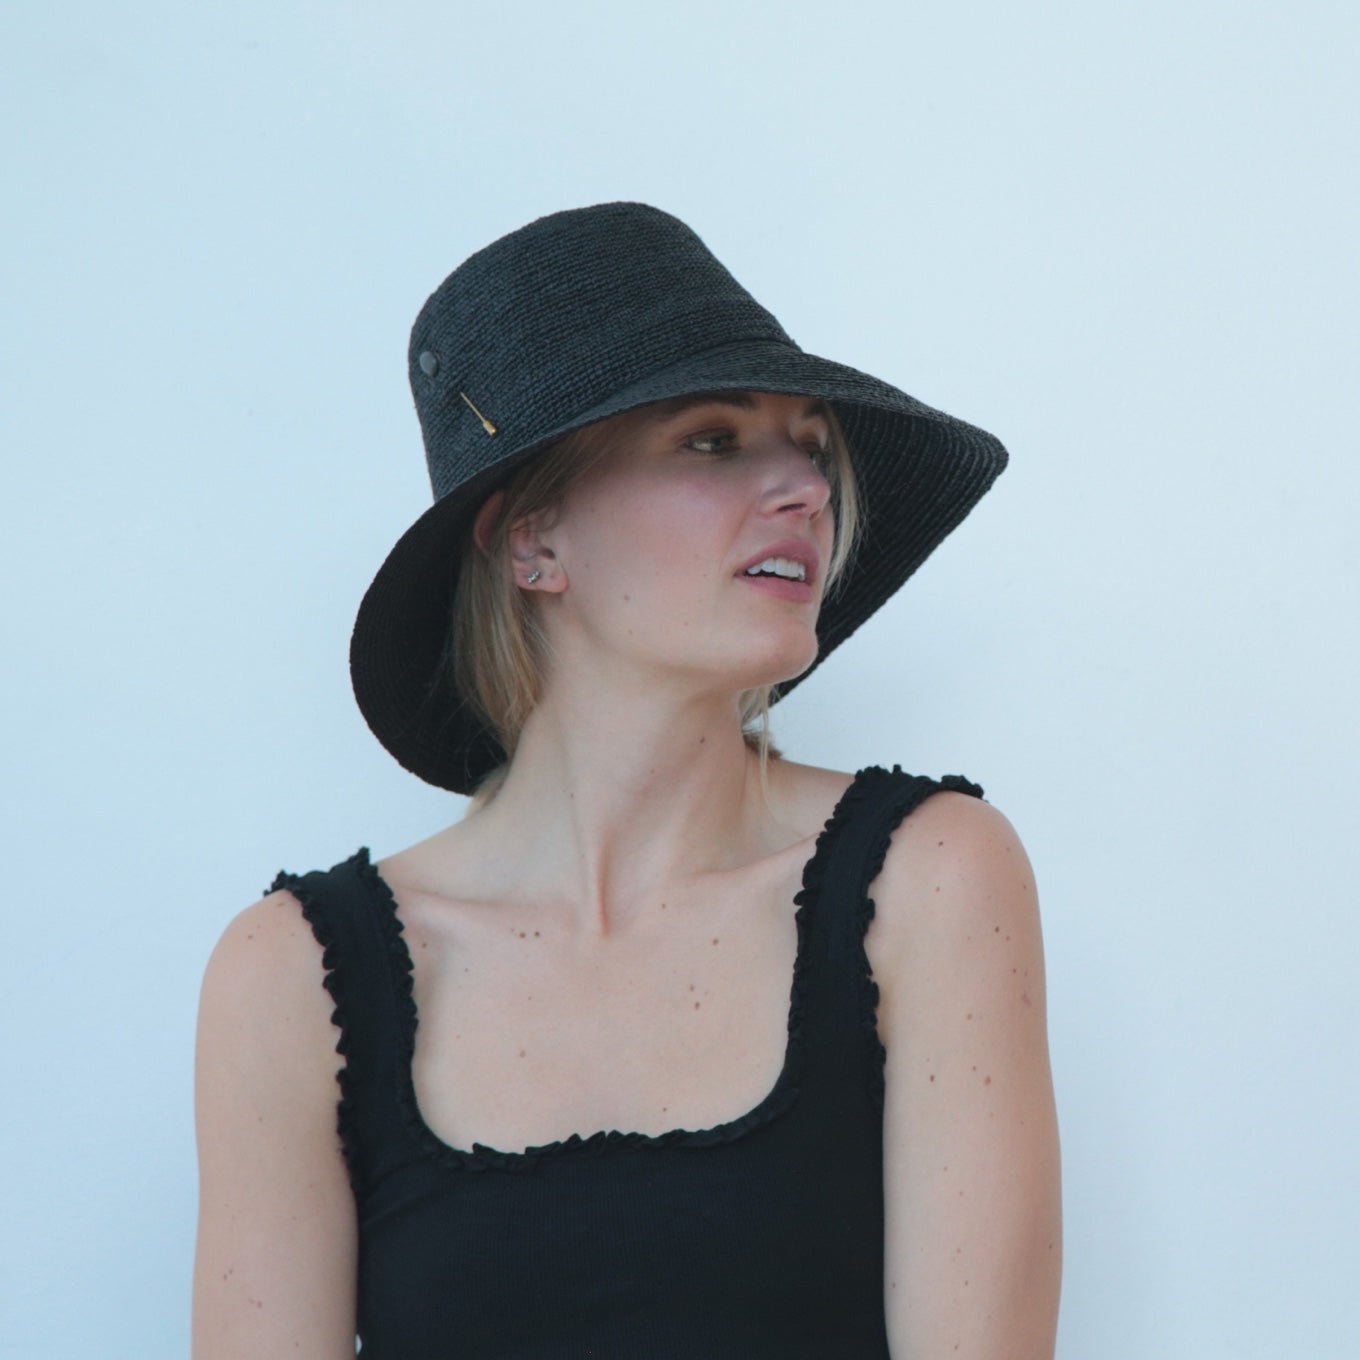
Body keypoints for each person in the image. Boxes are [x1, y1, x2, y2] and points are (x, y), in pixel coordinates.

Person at [191, 202, 1062, 1357]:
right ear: (530, 541)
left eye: (809, 442)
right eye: (712, 439)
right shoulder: (292, 975)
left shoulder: (927, 879)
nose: (804, 486)